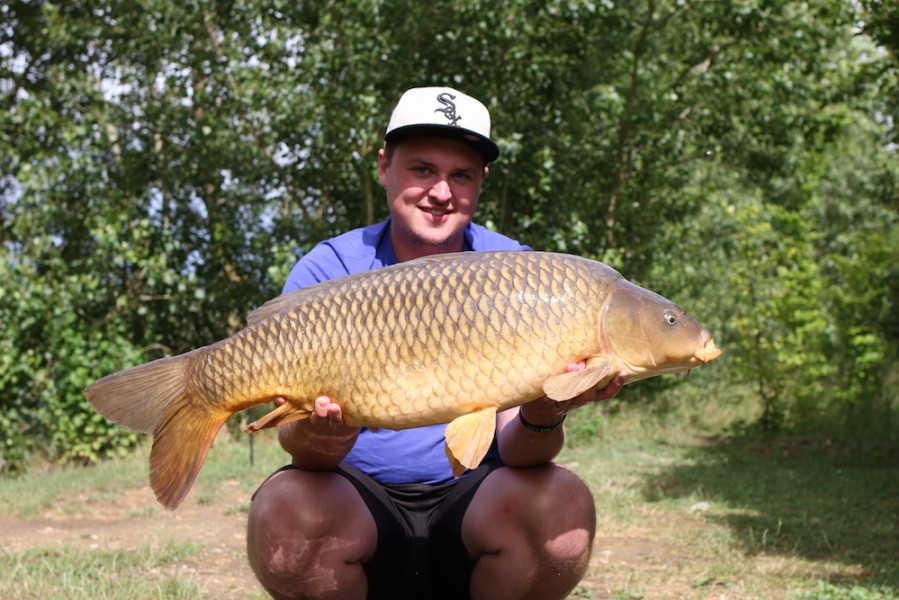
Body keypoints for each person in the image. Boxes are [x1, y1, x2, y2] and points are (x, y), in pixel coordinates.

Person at [246, 86, 622, 600]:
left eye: (461, 175)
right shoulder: (328, 270)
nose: (441, 192)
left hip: (475, 507)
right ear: (384, 166)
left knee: (562, 501)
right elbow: (304, 455)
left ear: (481, 182)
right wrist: (324, 435)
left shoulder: (521, 275)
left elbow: (522, 452)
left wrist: (545, 409)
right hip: (356, 505)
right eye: (423, 169)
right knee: (285, 511)